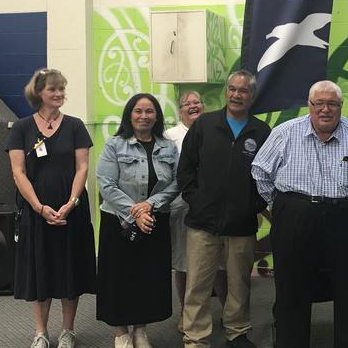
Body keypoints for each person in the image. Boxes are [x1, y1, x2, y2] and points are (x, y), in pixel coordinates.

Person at [252, 80, 348, 348]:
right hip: (295, 216)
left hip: (347, 219)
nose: (325, 109)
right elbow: (260, 171)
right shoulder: (285, 133)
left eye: (332, 104)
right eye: (318, 103)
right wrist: (282, 206)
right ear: (309, 106)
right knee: (291, 289)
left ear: (341, 106)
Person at [177, 70, 271, 348]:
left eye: (243, 91)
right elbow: (186, 169)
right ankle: (195, 338)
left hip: (242, 224)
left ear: (252, 95)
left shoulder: (261, 131)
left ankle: (237, 331)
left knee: (240, 283)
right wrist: (196, 199)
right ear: (226, 92)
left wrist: (253, 205)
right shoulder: (204, 125)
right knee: (197, 285)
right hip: (203, 223)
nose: (236, 95)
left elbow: (267, 177)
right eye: (232, 89)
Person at [6, 68, 97, 348]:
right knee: (40, 270)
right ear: (39, 94)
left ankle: (67, 331)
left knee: (70, 270)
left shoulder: (75, 125)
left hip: (72, 211)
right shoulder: (22, 127)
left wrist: (71, 203)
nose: (59, 94)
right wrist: (38, 207)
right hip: (36, 214)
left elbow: (82, 167)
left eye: (61, 89)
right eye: (52, 90)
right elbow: (18, 173)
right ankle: (41, 333)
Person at [96, 93, 180, 348]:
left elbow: (178, 182)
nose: (144, 116)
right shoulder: (115, 145)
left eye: (150, 111)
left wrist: (150, 206)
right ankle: (121, 333)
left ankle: (140, 330)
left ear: (157, 116)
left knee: (146, 277)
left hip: (155, 220)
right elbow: (106, 184)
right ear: (129, 115)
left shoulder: (168, 147)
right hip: (118, 222)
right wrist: (137, 212)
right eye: (138, 111)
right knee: (119, 277)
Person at [164, 91, 227, 333]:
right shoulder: (170, 137)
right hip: (182, 208)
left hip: (215, 208)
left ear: (203, 106)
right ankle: (186, 314)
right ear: (180, 111)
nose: (192, 106)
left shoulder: (216, 129)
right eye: (186, 104)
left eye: (196, 102)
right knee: (183, 263)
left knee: (221, 264)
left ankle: (228, 312)